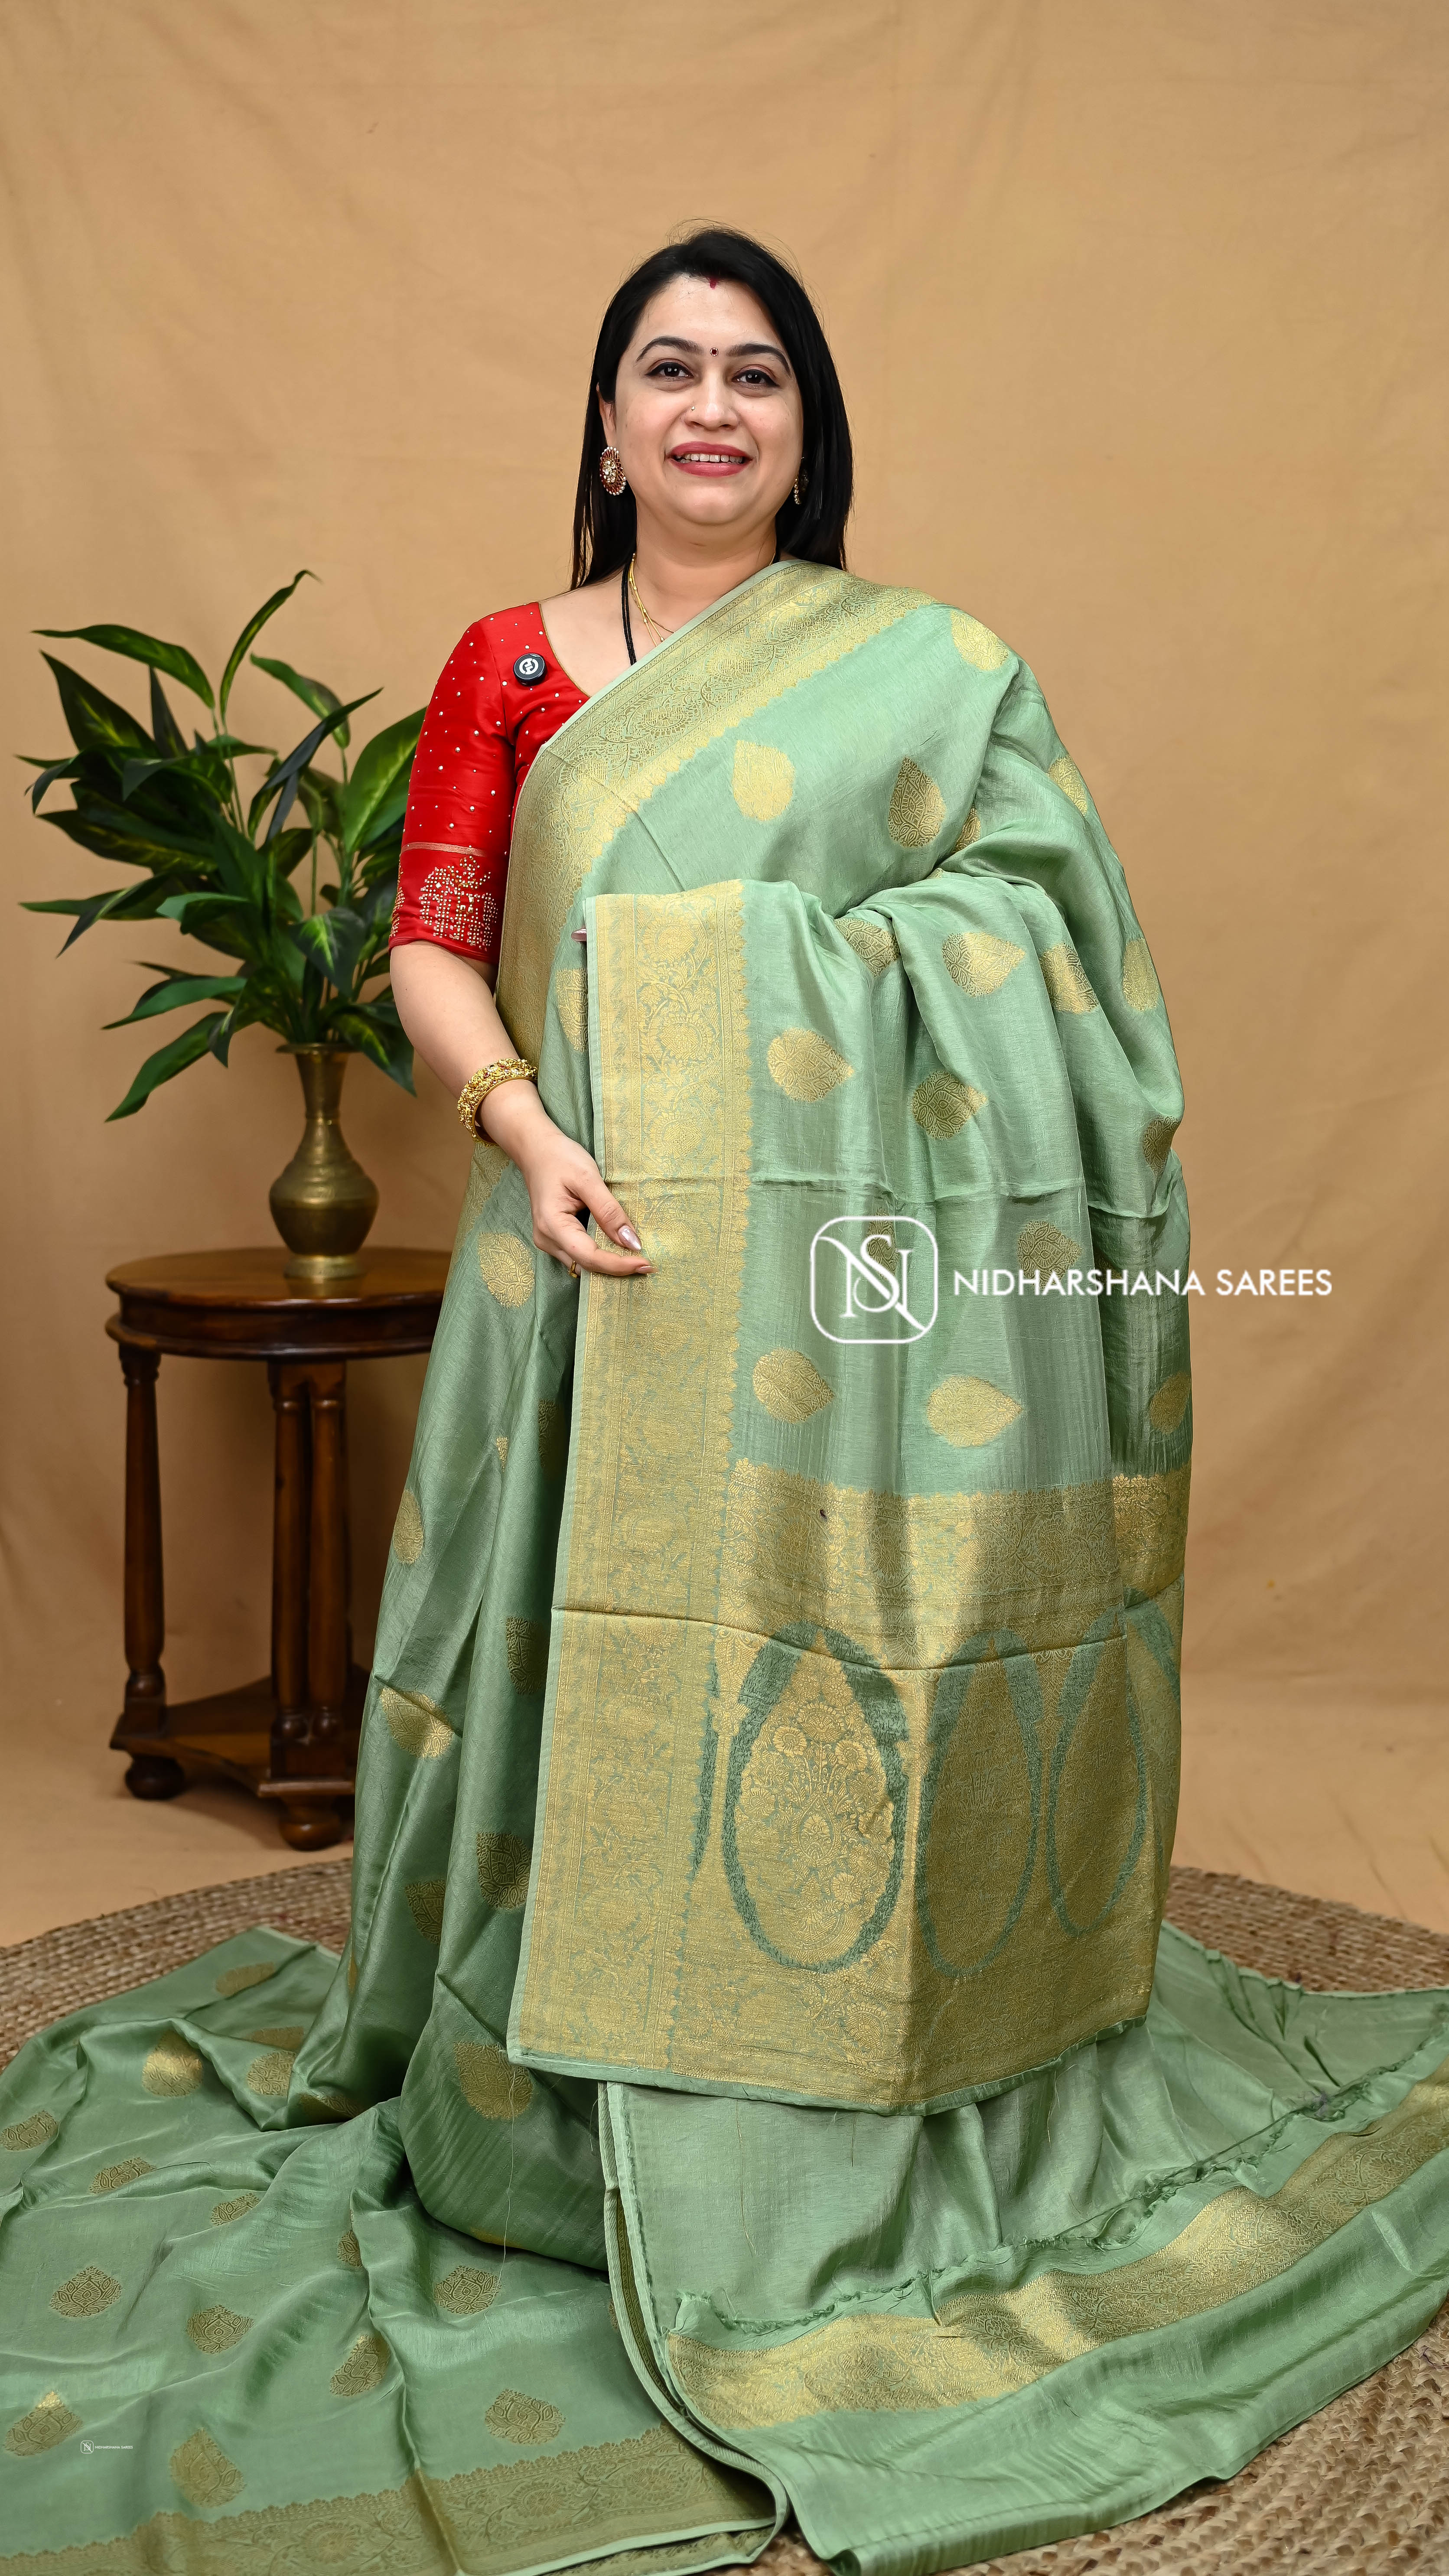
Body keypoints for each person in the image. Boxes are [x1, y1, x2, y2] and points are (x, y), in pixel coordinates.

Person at [3, 229, 1447, 2576]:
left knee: (831, 1642)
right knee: (577, 1637)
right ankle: (544, 2082)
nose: (709, 408)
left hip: (854, 1305)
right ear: (604, 423)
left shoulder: (928, 672)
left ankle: (821, 2050)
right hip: (579, 1241)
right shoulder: (508, 666)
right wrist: (523, 1128)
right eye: (666, 370)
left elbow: (1058, 953)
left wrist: (775, 993)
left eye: (754, 374)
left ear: (805, 424)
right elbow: (435, 945)